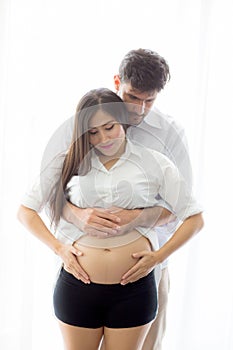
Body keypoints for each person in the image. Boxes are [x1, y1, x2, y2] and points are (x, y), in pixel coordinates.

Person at [18, 49, 203, 350]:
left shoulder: (166, 140)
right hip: (80, 278)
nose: (140, 109)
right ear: (119, 83)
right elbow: (45, 199)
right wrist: (76, 216)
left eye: (150, 100)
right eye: (133, 97)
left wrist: (142, 220)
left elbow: (182, 209)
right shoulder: (86, 128)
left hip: (144, 271)